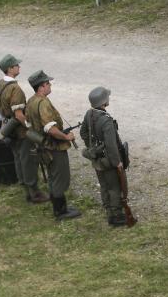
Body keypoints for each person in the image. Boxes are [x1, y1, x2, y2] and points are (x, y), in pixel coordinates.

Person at [25, 70, 82, 221]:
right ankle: (60, 212)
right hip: (54, 147)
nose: (50, 85)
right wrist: (66, 136)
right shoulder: (42, 103)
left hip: (43, 147)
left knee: (53, 177)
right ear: (42, 86)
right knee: (60, 178)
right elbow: (50, 129)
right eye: (48, 83)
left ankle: (60, 207)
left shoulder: (31, 101)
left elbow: (28, 124)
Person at [0, 55, 49, 205]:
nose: (19, 67)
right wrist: (30, 127)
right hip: (19, 131)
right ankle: (34, 193)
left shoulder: (0, 84)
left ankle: (27, 191)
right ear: (10, 69)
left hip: (7, 128)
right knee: (28, 161)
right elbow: (19, 115)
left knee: (18, 160)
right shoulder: (15, 89)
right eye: (16, 65)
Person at [80, 87, 129, 227]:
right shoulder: (106, 121)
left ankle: (108, 210)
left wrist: (93, 147)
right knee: (115, 188)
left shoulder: (89, 114)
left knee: (104, 185)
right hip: (109, 160)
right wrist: (117, 162)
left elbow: (83, 132)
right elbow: (111, 145)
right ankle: (116, 216)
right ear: (103, 101)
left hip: (97, 160)